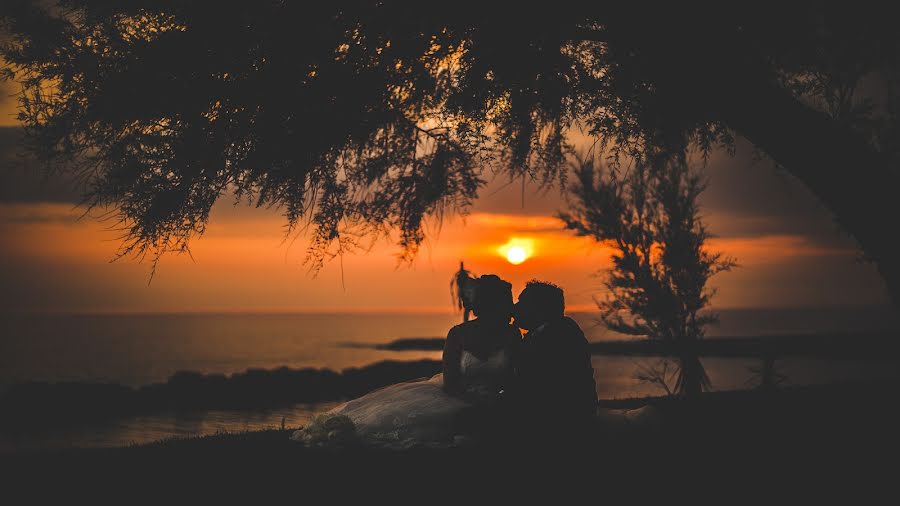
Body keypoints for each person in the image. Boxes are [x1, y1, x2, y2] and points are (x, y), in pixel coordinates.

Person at [292, 274, 520, 448]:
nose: (511, 307)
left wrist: (497, 399)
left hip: (492, 400)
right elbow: (451, 382)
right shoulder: (458, 334)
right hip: (454, 394)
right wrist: (476, 399)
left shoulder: (512, 334)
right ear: (492, 305)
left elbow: (512, 377)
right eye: (507, 301)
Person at [511, 280, 597, 441]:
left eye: (521, 302)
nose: (515, 308)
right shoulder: (553, 330)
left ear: (538, 309)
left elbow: (536, 387)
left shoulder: (560, 335)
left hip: (559, 424)